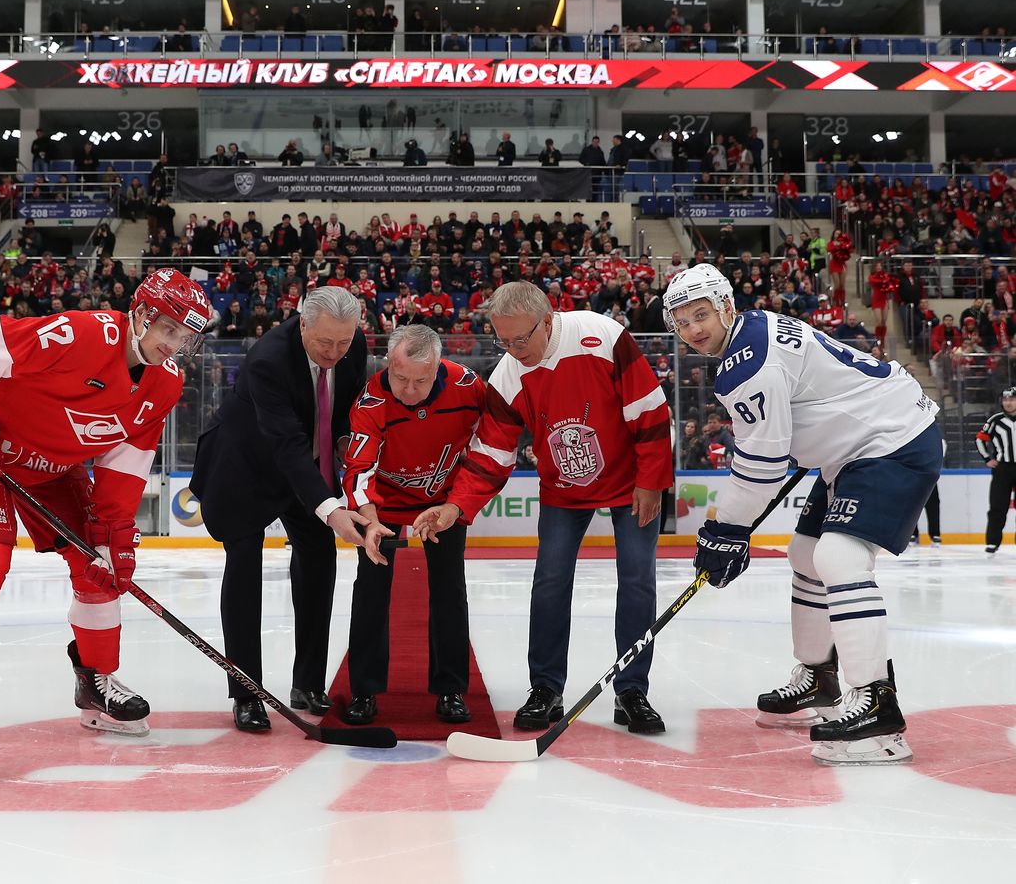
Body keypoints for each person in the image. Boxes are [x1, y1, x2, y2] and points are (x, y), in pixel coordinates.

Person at [0, 268, 213, 777]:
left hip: (53, 469)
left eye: (184, 339)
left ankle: (96, 682)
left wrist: (115, 536)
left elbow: (126, 460)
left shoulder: (164, 385)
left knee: (97, 567)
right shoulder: (83, 334)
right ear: (141, 314)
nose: (174, 347)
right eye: (169, 332)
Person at [665, 264, 942, 765]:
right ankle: (819, 677)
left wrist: (724, 529)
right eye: (682, 322)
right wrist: (734, 526)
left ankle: (877, 705)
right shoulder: (754, 328)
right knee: (806, 553)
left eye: (701, 314)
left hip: (893, 439)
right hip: (856, 446)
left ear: (727, 306)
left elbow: (762, 463)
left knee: (839, 556)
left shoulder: (748, 362)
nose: (693, 329)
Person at [414, 281, 673, 735]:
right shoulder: (508, 376)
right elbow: (491, 454)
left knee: (637, 580)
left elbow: (649, 410)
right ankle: (546, 688)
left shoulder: (604, 336)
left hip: (632, 482)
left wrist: (652, 482)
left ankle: (632, 691)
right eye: (502, 340)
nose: (513, 350)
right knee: (549, 583)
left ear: (548, 321)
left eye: (521, 339)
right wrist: (456, 506)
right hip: (563, 489)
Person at [190, 286, 380, 732]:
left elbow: (349, 416)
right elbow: (287, 446)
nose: (335, 352)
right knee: (244, 568)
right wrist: (332, 510)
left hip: (307, 467)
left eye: (344, 342)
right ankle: (246, 692)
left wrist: (351, 477)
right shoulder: (268, 359)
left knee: (319, 559)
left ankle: (308, 683)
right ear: (302, 325)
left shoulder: (352, 346)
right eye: (324, 343)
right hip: (245, 468)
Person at [339, 325, 487, 726]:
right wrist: (369, 523)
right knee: (370, 588)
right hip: (383, 505)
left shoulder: (469, 387)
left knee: (449, 588)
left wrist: (457, 504)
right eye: (399, 377)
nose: (408, 389)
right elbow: (358, 470)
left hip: (443, 501)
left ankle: (451, 688)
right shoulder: (370, 401)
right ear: (388, 362)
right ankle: (365, 690)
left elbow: (486, 447)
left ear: (438, 367)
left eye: (420, 380)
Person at [977, 387, 1016, 554]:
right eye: (1005, 400)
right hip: (1003, 469)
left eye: (1012, 399)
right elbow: (980, 439)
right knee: (997, 506)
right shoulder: (995, 420)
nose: (1008, 403)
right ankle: (993, 542)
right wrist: (987, 458)